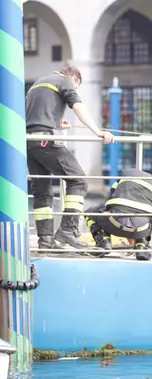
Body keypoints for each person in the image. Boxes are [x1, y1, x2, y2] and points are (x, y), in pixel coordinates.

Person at [26, 65, 115, 250]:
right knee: (78, 181)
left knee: (42, 191)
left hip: (30, 141)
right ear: (75, 80)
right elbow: (78, 106)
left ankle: (46, 240)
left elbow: (37, 115)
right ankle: (69, 230)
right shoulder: (64, 80)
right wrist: (98, 131)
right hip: (46, 140)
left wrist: (57, 124)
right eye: (76, 87)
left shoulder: (37, 84)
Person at [86, 168, 152, 260]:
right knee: (150, 218)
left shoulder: (125, 175)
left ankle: (103, 241)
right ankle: (142, 246)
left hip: (114, 223)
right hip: (141, 230)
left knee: (90, 213)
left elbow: (109, 201)